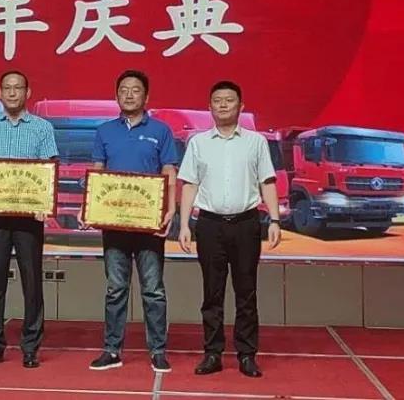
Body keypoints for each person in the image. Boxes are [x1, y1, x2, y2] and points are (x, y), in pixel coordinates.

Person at [177, 80, 281, 378]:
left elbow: (267, 181)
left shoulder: (256, 142)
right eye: (217, 100)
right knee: (212, 292)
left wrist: (275, 219)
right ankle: (212, 353)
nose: (223, 105)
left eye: (229, 100)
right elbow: (189, 184)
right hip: (209, 225)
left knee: (246, 292)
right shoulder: (198, 142)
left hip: (246, 224)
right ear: (209, 107)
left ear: (241, 106)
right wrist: (184, 225)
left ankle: (247, 355)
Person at [87, 70, 179, 374]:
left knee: (153, 289)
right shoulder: (104, 131)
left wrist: (170, 209)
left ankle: (158, 351)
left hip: (149, 224)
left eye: (135, 90)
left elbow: (169, 172)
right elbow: (98, 173)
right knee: (115, 289)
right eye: (123, 90)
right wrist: (91, 208)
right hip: (114, 223)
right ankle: (112, 350)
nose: (129, 94)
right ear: (116, 96)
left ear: (146, 96)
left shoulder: (161, 131)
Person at [0, 70, 58, 369]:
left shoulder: (42, 127)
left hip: (29, 217)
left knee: (32, 283)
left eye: (17, 88)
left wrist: (45, 201)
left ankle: (30, 346)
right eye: (7, 88)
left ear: (27, 92)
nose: (11, 93)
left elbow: (49, 166)